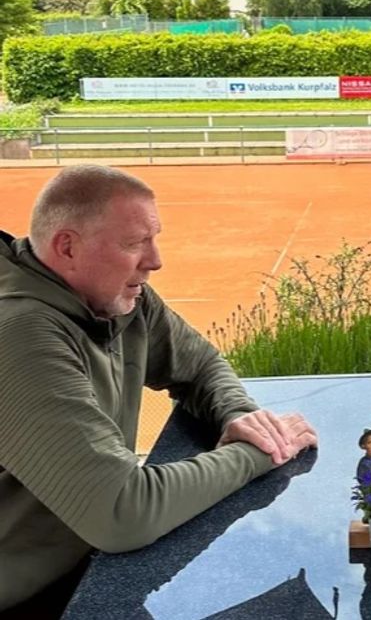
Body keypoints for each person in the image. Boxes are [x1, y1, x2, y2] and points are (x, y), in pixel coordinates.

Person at [0, 165, 319, 617]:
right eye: (134, 244)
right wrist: (263, 452)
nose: (155, 260)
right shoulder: (20, 335)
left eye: (154, 238)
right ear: (67, 246)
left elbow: (200, 365)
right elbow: (122, 512)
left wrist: (238, 414)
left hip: (87, 570)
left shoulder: (116, 296)